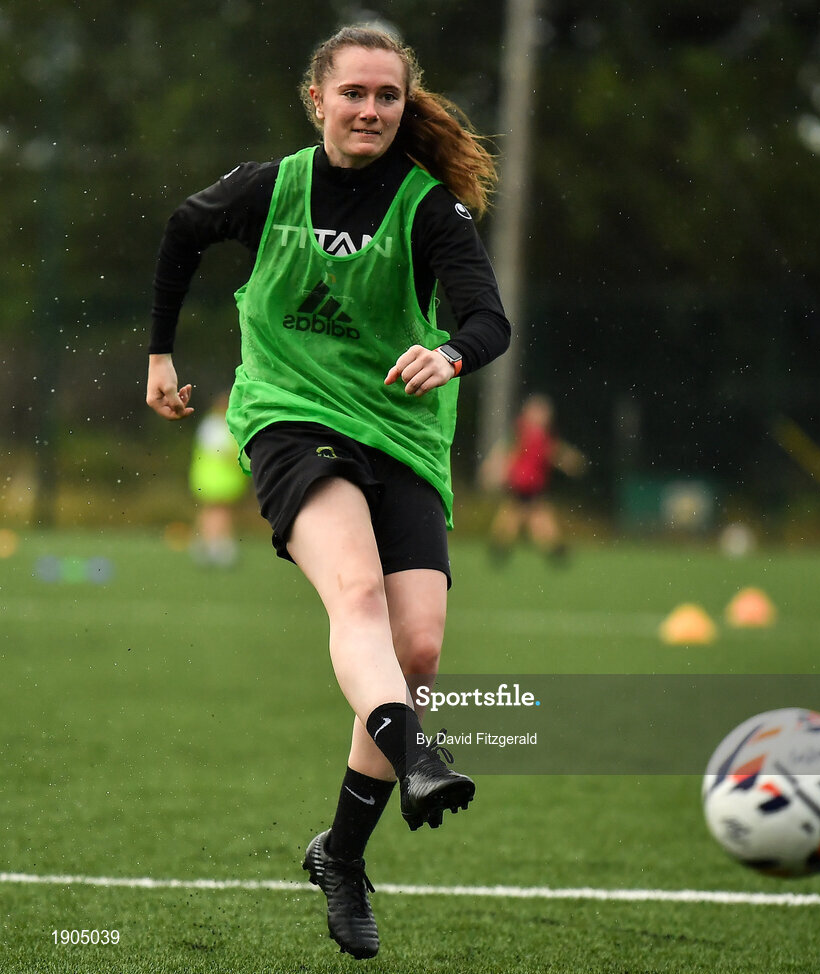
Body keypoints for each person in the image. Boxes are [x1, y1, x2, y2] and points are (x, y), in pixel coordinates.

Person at [145, 24, 510, 961]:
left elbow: (487, 318)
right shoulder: (271, 186)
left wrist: (450, 351)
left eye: (387, 97)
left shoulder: (429, 209)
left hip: (398, 431)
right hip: (290, 416)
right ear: (318, 100)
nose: (370, 111)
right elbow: (184, 231)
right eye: (353, 93)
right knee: (355, 598)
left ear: (403, 106)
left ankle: (340, 858)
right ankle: (419, 753)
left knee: (418, 651)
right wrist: (159, 353)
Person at [482, 393, 585, 563]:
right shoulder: (524, 433)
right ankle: (555, 549)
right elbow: (507, 452)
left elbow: (554, 452)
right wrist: (496, 469)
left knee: (519, 515)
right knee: (530, 516)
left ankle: (501, 547)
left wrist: (568, 460)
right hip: (524, 483)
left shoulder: (535, 434)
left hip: (529, 483)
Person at [188, 391, 249, 566]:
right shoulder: (214, 425)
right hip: (214, 479)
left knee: (216, 510)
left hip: (220, 479)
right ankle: (216, 547)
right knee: (218, 510)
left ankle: (206, 544)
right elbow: (222, 452)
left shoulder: (221, 424)